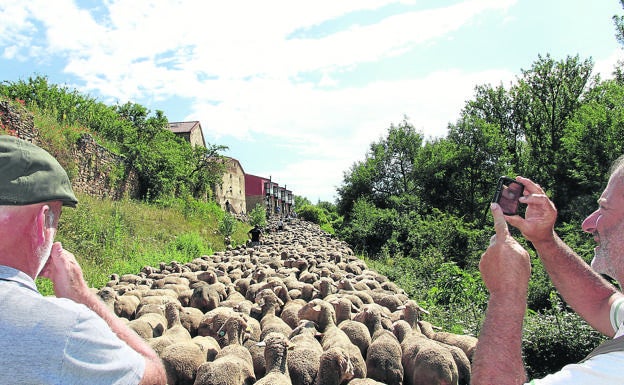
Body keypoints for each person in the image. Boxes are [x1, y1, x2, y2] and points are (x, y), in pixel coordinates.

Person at [0, 137, 166, 385]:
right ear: (42, 223)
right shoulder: (64, 328)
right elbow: (155, 378)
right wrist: (82, 297)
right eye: (56, 221)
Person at [472, 164, 624, 384]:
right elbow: (603, 302)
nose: (587, 223)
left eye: (604, 208)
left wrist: (506, 291)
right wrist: (544, 239)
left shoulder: (614, 372)